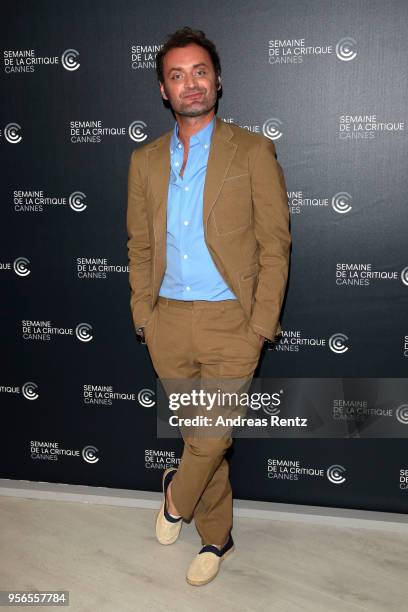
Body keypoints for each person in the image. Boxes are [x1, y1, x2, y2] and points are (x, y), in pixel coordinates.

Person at [126, 26, 291, 586]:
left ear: (217, 80)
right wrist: (143, 315)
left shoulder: (251, 150)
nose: (190, 83)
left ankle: (176, 497)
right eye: (177, 75)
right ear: (163, 90)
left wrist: (259, 325)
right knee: (204, 437)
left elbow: (275, 243)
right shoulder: (144, 161)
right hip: (167, 319)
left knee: (211, 435)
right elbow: (140, 244)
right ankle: (217, 539)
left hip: (231, 323)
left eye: (200, 71)